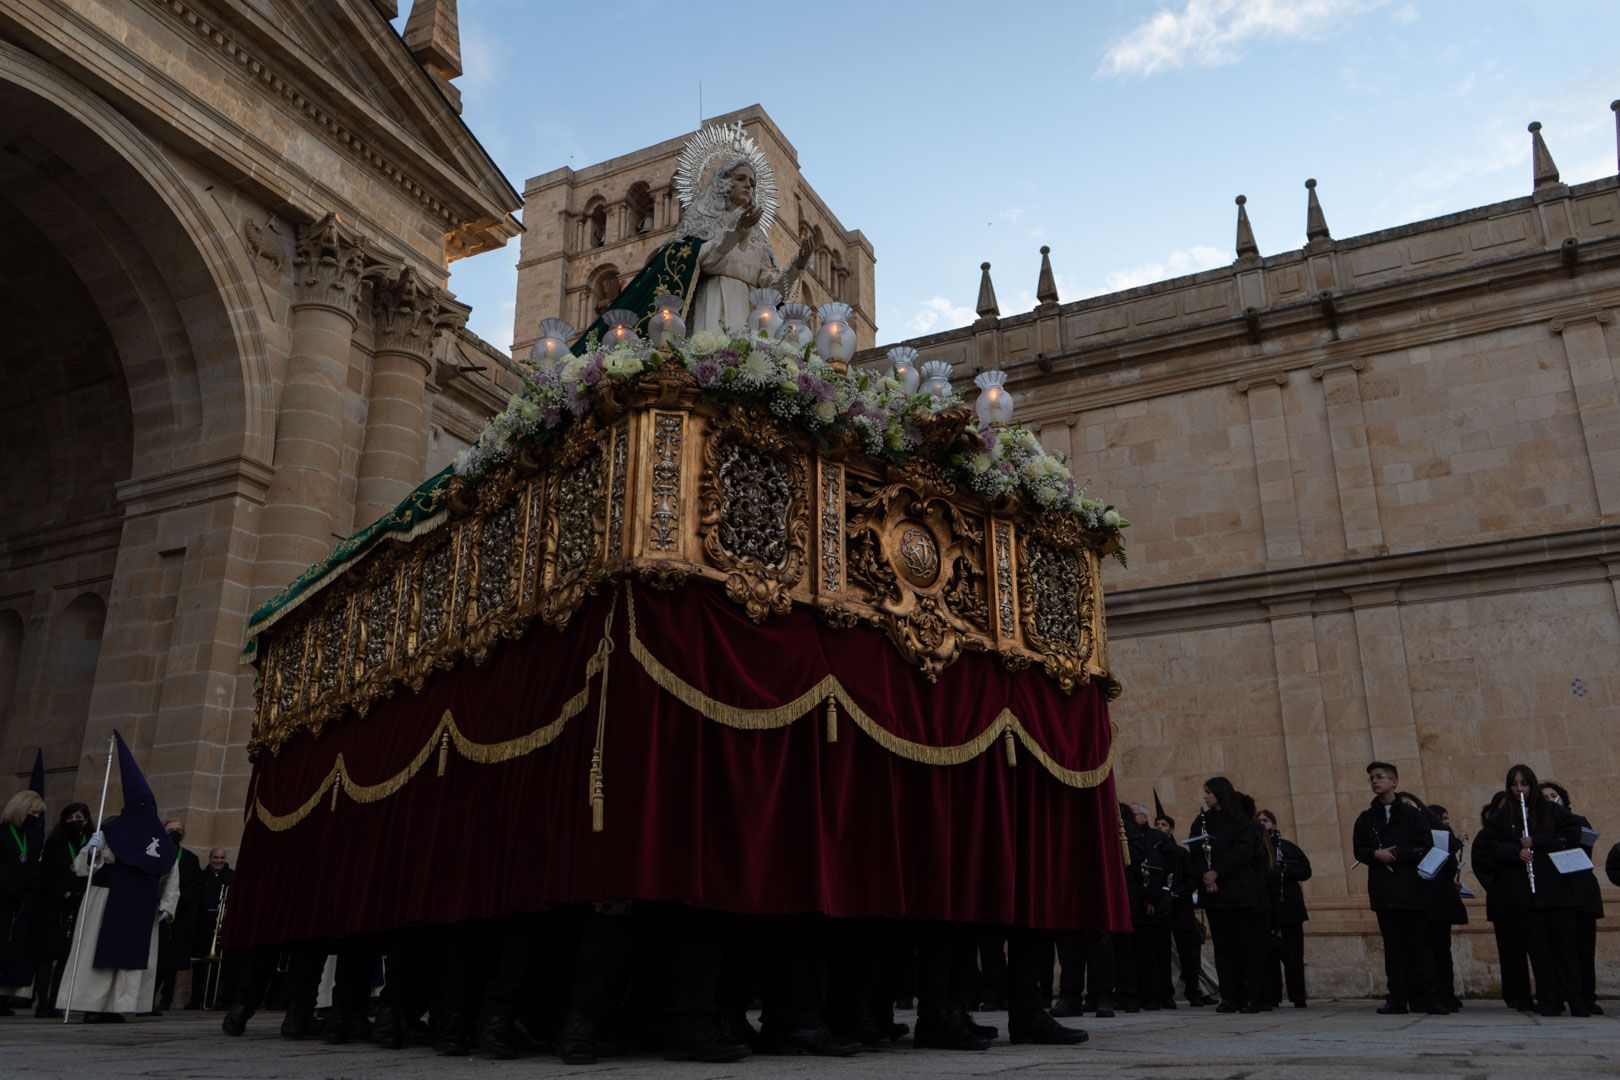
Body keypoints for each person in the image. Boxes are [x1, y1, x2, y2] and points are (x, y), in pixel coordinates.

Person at [56, 734, 180, 1020]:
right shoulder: (113, 831)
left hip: (140, 902)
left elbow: (169, 872)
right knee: (97, 955)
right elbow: (82, 868)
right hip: (107, 897)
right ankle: (92, 1005)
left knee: (130, 962)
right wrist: (94, 850)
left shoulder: (161, 840)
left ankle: (120, 1006)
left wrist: (168, 906)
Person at [674, 136, 813, 335]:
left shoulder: (759, 239)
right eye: (740, 179)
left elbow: (772, 293)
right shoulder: (703, 221)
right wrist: (737, 232)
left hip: (749, 313)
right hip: (714, 301)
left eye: (752, 183)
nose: (748, 185)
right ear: (723, 184)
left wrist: (798, 266)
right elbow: (704, 263)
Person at [1485, 764, 1583, 1017]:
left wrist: (1537, 842)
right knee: (1539, 951)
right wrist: (1515, 851)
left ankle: (1577, 1000)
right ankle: (1550, 1001)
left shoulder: (1551, 811)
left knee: (1566, 950)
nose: (1520, 789)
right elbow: (1490, 847)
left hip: (1556, 891)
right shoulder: (1502, 817)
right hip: (1526, 896)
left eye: (1524, 784)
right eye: (1515, 785)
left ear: (1532, 785)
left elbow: (1573, 835)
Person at [1351, 761, 1439, 1015]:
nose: (1375, 781)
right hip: (1384, 890)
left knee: (1420, 944)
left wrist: (1399, 853)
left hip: (1411, 889)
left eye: (1380, 777)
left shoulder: (1413, 815)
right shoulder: (1366, 818)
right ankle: (1397, 997)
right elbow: (1359, 849)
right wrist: (1375, 854)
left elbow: (1424, 845)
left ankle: (1429, 997)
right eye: (1371, 778)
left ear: (1394, 781)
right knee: (1394, 946)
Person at [1192, 777, 1265, 1013]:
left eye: (1209, 792)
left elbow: (1242, 851)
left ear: (1221, 794)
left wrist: (1217, 872)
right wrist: (1206, 874)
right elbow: (1195, 850)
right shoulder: (1202, 821)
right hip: (1213, 893)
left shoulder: (1242, 821)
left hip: (1238, 891)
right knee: (1222, 947)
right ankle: (1229, 996)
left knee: (1245, 944)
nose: (1205, 797)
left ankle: (1251, 996)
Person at [1537, 780, 1603, 1016]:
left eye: (1554, 795)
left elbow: (1584, 850)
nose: (1551, 800)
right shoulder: (1538, 829)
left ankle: (1588, 996)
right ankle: (1571, 996)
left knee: (1585, 948)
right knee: (1564, 949)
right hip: (1557, 895)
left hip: (1582, 892)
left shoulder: (1578, 822)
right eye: (1545, 797)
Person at [29, 803, 90, 1018]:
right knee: (46, 956)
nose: (77, 820)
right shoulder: (55, 843)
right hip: (54, 902)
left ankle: (57, 1001)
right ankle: (42, 1001)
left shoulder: (90, 843)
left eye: (81, 816)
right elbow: (47, 871)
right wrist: (63, 892)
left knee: (66, 956)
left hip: (79, 903)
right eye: (72, 816)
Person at [1472, 792, 1531, 1011]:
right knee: (1510, 951)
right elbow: (1480, 864)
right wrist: (1501, 881)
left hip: (1529, 900)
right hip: (1503, 900)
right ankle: (1515, 994)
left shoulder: (1525, 833)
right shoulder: (1487, 836)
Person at [1153, 810, 1215, 1007]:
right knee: (1162, 954)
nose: (1159, 828)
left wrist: (1176, 893)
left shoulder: (1182, 854)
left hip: (1181, 909)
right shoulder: (1153, 854)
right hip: (1162, 911)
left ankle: (1193, 992)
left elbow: (1192, 879)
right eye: (1157, 824)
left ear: (1171, 829)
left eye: (1163, 825)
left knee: (1188, 955)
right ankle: (1165, 994)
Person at [1257, 809, 1311, 1008]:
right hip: (1267, 908)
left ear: (1274, 824)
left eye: (1266, 820)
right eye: (1259, 820)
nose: (1263, 823)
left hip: (1290, 908)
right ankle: (1273, 996)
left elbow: (1306, 870)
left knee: (1294, 954)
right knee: (1269, 954)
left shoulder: (1288, 847)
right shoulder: (1256, 849)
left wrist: (1285, 869)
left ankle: (1298, 996)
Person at [0, 790, 46, 1014]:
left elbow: (34, 866)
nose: (36, 817)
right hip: (3, 896)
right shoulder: (3, 833)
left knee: (13, 949)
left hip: (22, 900)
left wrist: (31, 889)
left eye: (38, 813)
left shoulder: (32, 837)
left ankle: (4, 995)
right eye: (33, 812)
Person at [1421, 803, 1466, 1013]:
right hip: (1424, 898)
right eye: (1444, 818)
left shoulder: (1444, 838)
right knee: (1431, 950)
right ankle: (1435, 994)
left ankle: (1446, 993)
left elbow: (1449, 869)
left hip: (1438, 899)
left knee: (1440, 949)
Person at [154, 818, 201, 1013]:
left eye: (178, 829)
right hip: (158, 911)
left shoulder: (190, 857)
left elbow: (197, 882)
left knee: (172, 959)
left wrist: (179, 896)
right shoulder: (156, 851)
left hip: (180, 912)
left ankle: (166, 998)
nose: (175, 832)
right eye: (171, 829)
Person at [186, 848, 233, 1009]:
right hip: (202, 926)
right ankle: (195, 999)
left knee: (219, 967)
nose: (218, 861)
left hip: (222, 926)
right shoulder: (201, 876)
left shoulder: (232, 876)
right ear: (210, 858)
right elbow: (194, 898)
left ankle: (215, 999)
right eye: (215, 857)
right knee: (199, 966)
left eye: (221, 858)